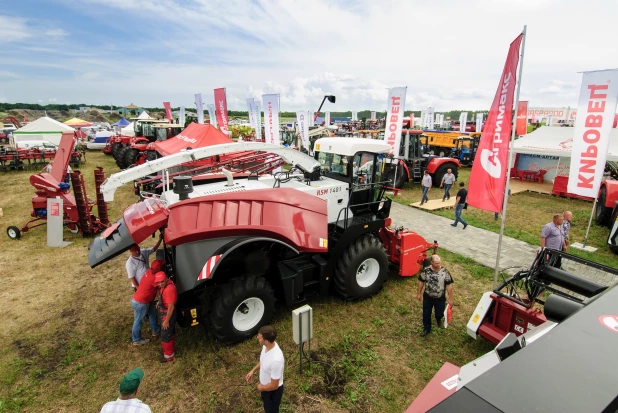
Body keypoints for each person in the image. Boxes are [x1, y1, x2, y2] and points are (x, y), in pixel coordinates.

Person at [246, 325, 285, 413]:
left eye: (259, 337)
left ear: (266, 341)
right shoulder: (266, 346)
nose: (257, 338)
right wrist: (253, 370)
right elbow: (263, 361)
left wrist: (261, 388)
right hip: (266, 389)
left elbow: (274, 385)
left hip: (272, 393)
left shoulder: (276, 360)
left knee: (271, 410)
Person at [416, 255, 454, 337]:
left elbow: (449, 285)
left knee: (439, 313)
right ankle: (426, 328)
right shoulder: (426, 270)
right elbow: (421, 281)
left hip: (440, 298)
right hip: (428, 297)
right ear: (431, 262)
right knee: (426, 313)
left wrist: (450, 298)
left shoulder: (445, 272)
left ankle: (438, 318)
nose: (438, 264)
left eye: (439, 263)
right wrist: (418, 293)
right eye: (436, 263)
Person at [131, 260, 162, 346]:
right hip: (141, 303)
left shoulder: (148, 271)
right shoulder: (153, 278)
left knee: (153, 313)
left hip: (144, 300)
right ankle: (136, 340)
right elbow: (161, 286)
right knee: (138, 321)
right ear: (159, 268)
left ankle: (156, 330)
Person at [155, 271, 177, 363]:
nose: (160, 284)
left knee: (165, 335)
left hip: (168, 314)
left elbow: (171, 307)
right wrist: (159, 303)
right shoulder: (165, 287)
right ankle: (170, 350)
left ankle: (169, 356)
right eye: (158, 282)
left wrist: (166, 321)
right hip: (165, 312)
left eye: (162, 282)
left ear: (166, 279)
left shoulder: (169, 289)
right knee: (169, 333)